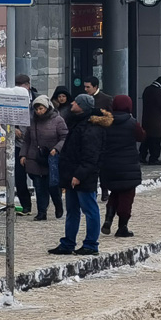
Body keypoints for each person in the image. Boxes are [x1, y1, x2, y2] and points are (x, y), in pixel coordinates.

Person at [50, 94, 105, 256]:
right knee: (72, 210)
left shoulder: (91, 127)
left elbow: (91, 156)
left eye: (76, 101)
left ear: (82, 105)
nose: (72, 102)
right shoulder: (77, 122)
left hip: (83, 177)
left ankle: (91, 244)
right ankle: (68, 243)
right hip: (71, 175)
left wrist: (79, 175)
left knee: (90, 210)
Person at [96, 94, 145, 237]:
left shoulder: (106, 122)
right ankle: (122, 226)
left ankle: (108, 219)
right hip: (128, 165)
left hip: (109, 165)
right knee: (127, 195)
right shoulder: (132, 122)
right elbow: (141, 136)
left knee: (115, 191)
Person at [20, 95, 67, 220]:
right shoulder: (32, 121)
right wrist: (23, 154)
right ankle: (42, 212)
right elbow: (27, 140)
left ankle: (58, 205)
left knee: (52, 185)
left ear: (47, 107)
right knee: (39, 186)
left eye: (41, 108)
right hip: (35, 157)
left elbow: (65, 137)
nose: (38, 112)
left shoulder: (57, 120)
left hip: (51, 158)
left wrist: (56, 148)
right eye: (36, 109)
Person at [12, 73, 37, 214]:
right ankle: (26, 205)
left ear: (28, 86)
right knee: (19, 177)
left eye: (21, 87)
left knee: (36, 175)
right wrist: (12, 129)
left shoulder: (38, 100)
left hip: (34, 143)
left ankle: (43, 204)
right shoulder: (12, 99)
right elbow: (4, 118)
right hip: (18, 144)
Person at [140, 76, 161, 165]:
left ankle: (142, 156)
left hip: (146, 120)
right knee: (155, 141)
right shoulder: (158, 92)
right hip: (155, 122)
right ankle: (153, 159)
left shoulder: (147, 90)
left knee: (145, 139)